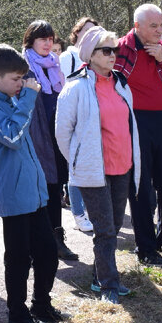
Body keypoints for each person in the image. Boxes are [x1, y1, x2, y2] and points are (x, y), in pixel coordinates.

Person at [0, 44, 64, 323]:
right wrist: (28, 100)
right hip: (12, 192)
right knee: (19, 256)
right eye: (15, 79)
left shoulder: (12, 96)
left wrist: (23, 97)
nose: (22, 84)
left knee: (48, 252)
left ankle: (41, 304)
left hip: (32, 191)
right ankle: (17, 315)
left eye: (24, 78)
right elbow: (11, 135)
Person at [55, 27, 140, 304]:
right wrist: (80, 162)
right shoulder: (76, 87)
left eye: (115, 50)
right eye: (106, 50)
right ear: (90, 55)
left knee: (113, 227)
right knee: (104, 230)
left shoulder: (121, 83)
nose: (113, 55)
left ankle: (98, 276)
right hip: (94, 171)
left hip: (122, 167)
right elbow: (62, 133)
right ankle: (108, 287)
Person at [115, 4, 162, 266]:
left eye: (161, 25)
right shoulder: (122, 48)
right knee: (142, 189)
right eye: (153, 26)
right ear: (137, 27)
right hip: (135, 123)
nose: (159, 30)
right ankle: (145, 248)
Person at [23, 20, 79, 261]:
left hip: (57, 137)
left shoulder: (56, 64)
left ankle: (57, 241)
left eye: (50, 39)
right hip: (35, 139)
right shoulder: (22, 66)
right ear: (31, 41)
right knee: (38, 191)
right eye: (41, 39)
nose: (47, 44)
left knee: (55, 188)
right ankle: (37, 247)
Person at [60, 16, 100, 235]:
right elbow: (63, 87)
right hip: (75, 118)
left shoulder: (98, 55)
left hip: (94, 118)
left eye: (94, 31)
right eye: (85, 30)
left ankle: (89, 209)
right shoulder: (68, 56)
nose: (89, 34)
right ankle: (78, 214)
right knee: (74, 167)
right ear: (76, 34)